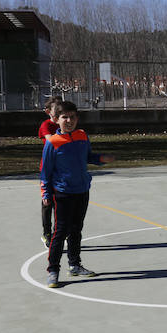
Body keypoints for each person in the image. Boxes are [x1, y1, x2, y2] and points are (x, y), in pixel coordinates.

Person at [40, 101, 115, 288]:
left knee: (76, 230)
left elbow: (88, 156)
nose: (69, 120)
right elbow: (46, 171)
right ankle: (53, 270)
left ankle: (74, 265)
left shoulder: (82, 136)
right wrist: (46, 192)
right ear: (56, 119)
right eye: (65, 117)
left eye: (73, 117)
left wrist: (100, 159)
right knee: (60, 232)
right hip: (63, 193)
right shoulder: (52, 142)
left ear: (77, 119)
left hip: (82, 191)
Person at [38, 96, 63, 247]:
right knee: (48, 203)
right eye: (56, 111)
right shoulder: (46, 125)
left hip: (63, 170)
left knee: (61, 203)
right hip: (48, 170)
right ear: (48, 111)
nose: (60, 113)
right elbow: (51, 141)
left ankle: (58, 232)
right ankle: (47, 233)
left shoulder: (65, 123)